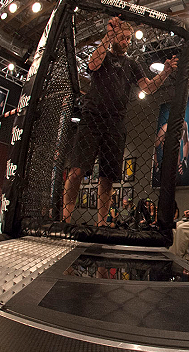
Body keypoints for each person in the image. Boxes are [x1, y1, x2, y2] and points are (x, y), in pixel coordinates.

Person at [62, 16, 178, 226]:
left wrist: (166, 73)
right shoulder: (103, 55)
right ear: (115, 37)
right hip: (91, 117)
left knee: (108, 177)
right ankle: (65, 217)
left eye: (128, 39)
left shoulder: (132, 64)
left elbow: (147, 88)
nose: (126, 42)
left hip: (115, 121)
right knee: (77, 169)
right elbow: (92, 64)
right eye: (123, 38)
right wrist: (108, 35)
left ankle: (101, 222)